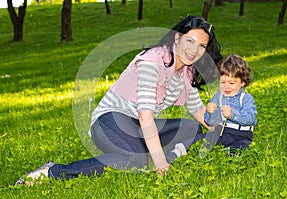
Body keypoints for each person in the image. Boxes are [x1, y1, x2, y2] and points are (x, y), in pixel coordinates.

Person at [15, 15, 222, 186]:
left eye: (201, 46)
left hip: (138, 128)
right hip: (110, 121)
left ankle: (149, 151)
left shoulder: (187, 70)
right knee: (136, 161)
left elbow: (198, 110)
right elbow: (145, 115)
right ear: (177, 39)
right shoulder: (153, 60)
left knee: (192, 129)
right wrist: (160, 165)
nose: (194, 50)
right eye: (190, 41)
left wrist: (223, 123)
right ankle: (51, 172)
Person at [204, 54, 257, 153]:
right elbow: (210, 122)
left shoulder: (246, 99)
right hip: (222, 133)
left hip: (241, 134)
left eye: (231, 83)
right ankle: (182, 148)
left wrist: (232, 114)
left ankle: (231, 153)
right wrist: (209, 113)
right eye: (222, 82)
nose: (226, 86)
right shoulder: (217, 97)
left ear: (243, 82)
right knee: (203, 139)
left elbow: (250, 119)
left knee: (241, 147)